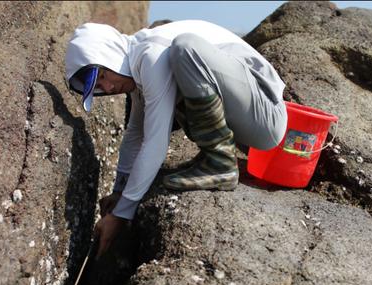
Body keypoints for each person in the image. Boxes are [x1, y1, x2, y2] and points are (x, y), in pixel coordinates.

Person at [65, 20, 287, 258]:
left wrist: (121, 215)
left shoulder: (151, 54)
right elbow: (135, 134)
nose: (107, 88)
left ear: (110, 55)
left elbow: (155, 141)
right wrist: (120, 192)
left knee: (185, 48)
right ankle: (214, 155)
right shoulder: (138, 61)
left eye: (103, 75)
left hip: (266, 118)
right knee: (169, 86)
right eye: (98, 86)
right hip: (247, 122)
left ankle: (219, 163)